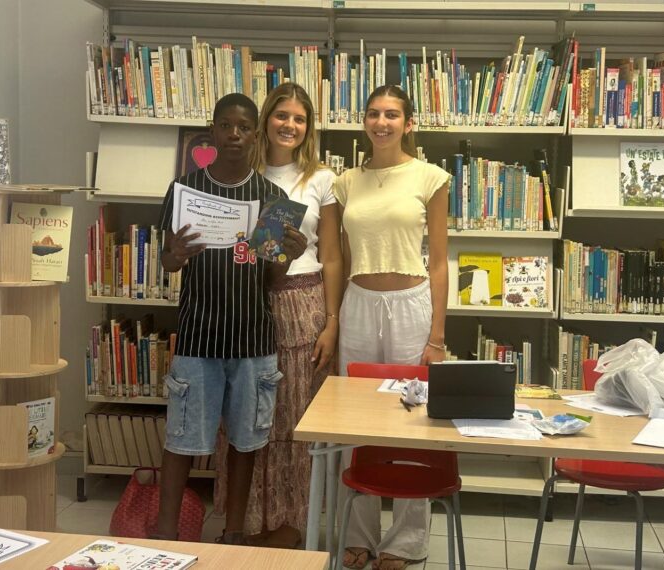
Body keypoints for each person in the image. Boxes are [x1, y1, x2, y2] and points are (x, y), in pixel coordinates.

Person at [153, 93, 307, 545]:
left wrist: (288, 256)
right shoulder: (184, 189)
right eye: (226, 126)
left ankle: (234, 533)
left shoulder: (273, 198)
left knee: (246, 442)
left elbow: (274, 280)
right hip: (198, 338)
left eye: (243, 127)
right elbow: (168, 262)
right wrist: (174, 255)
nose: (235, 135)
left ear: (255, 133)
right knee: (181, 440)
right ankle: (165, 536)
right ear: (214, 131)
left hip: (253, 340)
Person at [212, 82, 342, 548]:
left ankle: (287, 528)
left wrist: (332, 321)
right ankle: (243, 524)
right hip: (244, 303)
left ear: (309, 128)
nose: (290, 125)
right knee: (245, 417)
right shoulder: (239, 169)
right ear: (265, 120)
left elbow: (331, 255)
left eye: (300, 119)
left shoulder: (321, 179)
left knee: (290, 421)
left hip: (301, 303)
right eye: (282, 115)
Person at [334, 85, 449, 570]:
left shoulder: (430, 177)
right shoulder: (344, 183)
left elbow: (441, 262)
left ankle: (404, 542)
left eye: (392, 115)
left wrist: (437, 336)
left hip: (410, 305)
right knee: (354, 421)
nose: (381, 122)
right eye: (374, 114)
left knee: (410, 421)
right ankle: (358, 536)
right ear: (364, 120)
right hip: (358, 304)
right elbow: (337, 257)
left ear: (408, 123)